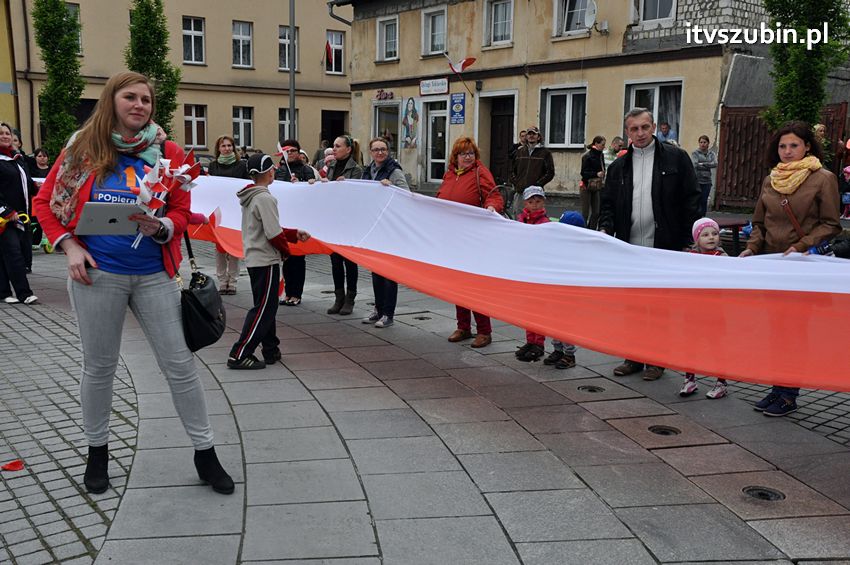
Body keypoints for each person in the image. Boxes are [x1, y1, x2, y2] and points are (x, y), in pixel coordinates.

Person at [32, 71, 233, 495]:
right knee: (100, 367)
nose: (139, 105)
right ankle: (97, 452)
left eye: (146, 99)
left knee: (179, 365)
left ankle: (206, 454)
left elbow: (181, 212)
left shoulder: (170, 152)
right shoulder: (84, 147)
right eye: (130, 97)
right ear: (112, 100)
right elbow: (44, 204)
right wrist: (69, 246)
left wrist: (163, 227)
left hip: (154, 275)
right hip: (97, 274)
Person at [741, 120, 841, 417]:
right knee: (775, 330)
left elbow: (831, 224)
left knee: (794, 331)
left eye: (794, 145)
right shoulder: (771, 179)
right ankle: (777, 387)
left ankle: (788, 394)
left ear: (807, 146)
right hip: (772, 265)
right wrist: (753, 247)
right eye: (783, 146)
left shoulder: (823, 178)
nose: (787, 151)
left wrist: (801, 246)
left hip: (801, 265)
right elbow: (759, 222)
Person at [598, 108, 700, 381]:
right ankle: (633, 357)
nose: (640, 134)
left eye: (645, 127)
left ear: (653, 126)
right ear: (627, 132)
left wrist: (690, 239)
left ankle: (657, 359)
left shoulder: (676, 158)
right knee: (633, 305)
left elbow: (692, 199)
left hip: (664, 244)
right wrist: (606, 229)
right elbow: (607, 203)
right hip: (630, 246)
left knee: (659, 307)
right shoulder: (619, 166)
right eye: (634, 129)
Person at [227, 153, 310, 370]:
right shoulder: (265, 198)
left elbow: (264, 228)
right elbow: (273, 233)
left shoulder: (252, 195)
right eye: (272, 169)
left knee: (267, 306)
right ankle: (240, 353)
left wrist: (293, 234)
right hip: (266, 259)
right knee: (264, 309)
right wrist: (287, 251)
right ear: (268, 172)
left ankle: (271, 349)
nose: (275, 171)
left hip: (255, 258)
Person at [436, 136, 504, 348]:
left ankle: (484, 331)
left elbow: (495, 196)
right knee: (457, 283)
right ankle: (463, 326)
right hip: (453, 237)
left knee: (475, 285)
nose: (468, 157)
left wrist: (492, 207)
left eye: (471, 153)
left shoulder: (479, 172)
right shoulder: (449, 175)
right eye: (463, 153)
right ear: (455, 157)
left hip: (474, 238)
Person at [312, 135, 363, 315]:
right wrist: (317, 183)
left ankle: (350, 298)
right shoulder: (330, 166)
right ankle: (338, 297)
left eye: (338, 146)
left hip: (348, 222)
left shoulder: (356, 169)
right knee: (335, 262)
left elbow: (357, 193)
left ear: (348, 149)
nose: (334, 149)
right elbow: (324, 187)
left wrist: (345, 185)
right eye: (333, 145)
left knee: (350, 262)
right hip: (333, 220)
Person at [361, 137, 409, 328]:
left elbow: (406, 195)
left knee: (389, 273)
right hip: (375, 227)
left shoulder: (394, 171)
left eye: (383, 149)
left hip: (390, 229)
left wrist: (392, 187)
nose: (380, 153)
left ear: (388, 151)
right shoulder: (368, 170)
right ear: (371, 152)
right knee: (376, 271)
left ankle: (388, 313)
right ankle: (378, 309)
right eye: (376, 150)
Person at [678, 218, 729, 398]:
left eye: (715, 234)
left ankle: (721, 382)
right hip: (693, 311)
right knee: (691, 346)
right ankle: (689, 379)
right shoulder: (689, 258)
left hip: (715, 312)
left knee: (717, 347)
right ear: (697, 238)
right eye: (705, 234)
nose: (711, 238)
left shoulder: (722, 258)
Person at [543, 210, 585, 369]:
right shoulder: (557, 247)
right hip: (555, 291)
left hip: (569, 294)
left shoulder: (578, 250)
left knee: (566, 323)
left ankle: (569, 354)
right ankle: (557, 349)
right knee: (554, 321)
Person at [275, 139, 316, 307]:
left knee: (298, 259)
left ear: (299, 153)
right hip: (284, 219)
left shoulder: (307, 170)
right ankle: (288, 293)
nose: (290, 153)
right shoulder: (279, 171)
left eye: (293, 151)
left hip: (299, 220)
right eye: (287, 151)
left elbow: (312, 194)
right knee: (286, 257)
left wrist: (302, 185)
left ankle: (296, 294)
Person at [0, 122, 37, 303]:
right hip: (4, 217)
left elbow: (27, 183)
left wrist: (40, 189)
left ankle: (4, 293)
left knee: (8, 253)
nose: (5, 136)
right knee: (13, 252)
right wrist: (6, 211)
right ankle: (25, 293)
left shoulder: (17, 158)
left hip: (21, 214)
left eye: (7, 133)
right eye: (1, 133)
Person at [514, 186, 551, 362]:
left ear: (543, 202)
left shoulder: (545, 223)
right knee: (527, 309)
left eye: (538, 201)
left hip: (539, 273)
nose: (535, 205)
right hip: (525, 272)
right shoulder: (521, 221)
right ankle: (530, 340)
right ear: (525, 203)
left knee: (539, 309)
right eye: (531, 202)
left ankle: (539, 343)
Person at [208, 135, 248, 295]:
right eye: (223, 146)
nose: (227, 148)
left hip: (235, 210)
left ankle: (232, 281)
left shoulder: (241, 165)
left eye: (229, 145)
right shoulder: (213, 166)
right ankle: (222, 280)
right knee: (219, 248)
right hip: (218, 211)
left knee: (232, 247)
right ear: (218, 149)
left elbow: (246, 186)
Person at [510, 126, 555, 218]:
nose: (531, 136)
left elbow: (550, 173)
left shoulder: (545, 153)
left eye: (534, 134)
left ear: (538, 137)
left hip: (535, 194)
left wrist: (537, 184)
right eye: (529, 134)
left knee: (535, 219)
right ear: (526, 137)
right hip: (520, 192)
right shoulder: (519, 152)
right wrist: (516, 183)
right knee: (518, 218)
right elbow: (511, 170)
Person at [580, 136, 606, 230]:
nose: (604, 147)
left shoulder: (601, 155)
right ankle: (582, 231)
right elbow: (583, 173)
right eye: (602, 145)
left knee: (596, 212)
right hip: (586, 186)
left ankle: (592, 231)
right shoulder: (587, 156)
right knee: (585, 213)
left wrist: (603, 172)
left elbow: (602, 167)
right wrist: (596, 173)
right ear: (596, 144)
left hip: (597, 186)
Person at [692, 135, 718, 217]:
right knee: (697, 200)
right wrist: (708, 164)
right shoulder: (695, 153)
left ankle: (703, 217)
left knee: (704, 200)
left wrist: (702, 163)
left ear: (708, 143)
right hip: (697, 180)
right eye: (701, 142)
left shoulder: (711, 153)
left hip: (707, 181)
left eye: (704, 142)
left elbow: (715, 164)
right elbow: (695, 164)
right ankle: (696, 217)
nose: (702, 144)